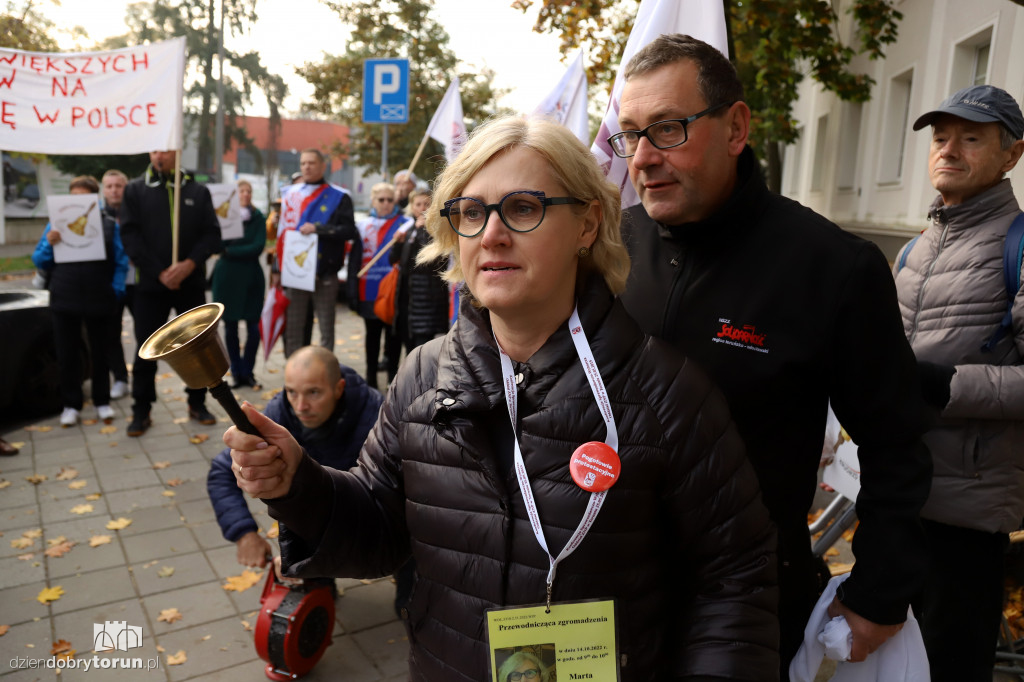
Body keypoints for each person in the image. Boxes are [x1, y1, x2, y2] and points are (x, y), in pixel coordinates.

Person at [225, 115, 778, 680]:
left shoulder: (667, 393)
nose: (490, 234)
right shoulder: (422, 375)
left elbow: (736, 582)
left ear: (587, 224)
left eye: (522, 207)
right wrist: (301, 484)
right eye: (470, 212)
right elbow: (378, 535)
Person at [612, 34, 933, 675]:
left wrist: (879, 594)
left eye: (668, 129)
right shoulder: (609, 248)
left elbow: (897, 444)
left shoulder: (832, 268)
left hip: (746, 605)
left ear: (735, 128)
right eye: (629, 134)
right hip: (606, 597)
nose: (642, 157)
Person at [894, 84, 1024, 681]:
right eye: (941, 137)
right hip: (897, 499)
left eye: (971, 137)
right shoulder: (911, 252)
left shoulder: (1018, 246)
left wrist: (948, 386)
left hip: (967, 518)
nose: (949, 149)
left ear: (1011, 156)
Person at [208, 346, 381, 567]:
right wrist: (244, 532)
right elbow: (222, 471)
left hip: (374, 532)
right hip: (310, 524)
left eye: (313, 392)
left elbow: (392, 501)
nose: (300, 406)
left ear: (339, 389)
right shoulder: (279, 414)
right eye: (291, 392)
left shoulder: (378, 419)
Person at [119, 151, 223, 437]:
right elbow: (129, 236)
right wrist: (159, 272)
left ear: (176, 151)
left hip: (189, 284)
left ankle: (197, 403)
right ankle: (141, 410)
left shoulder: (197, 191)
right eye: (154, 149)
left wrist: (189, 264)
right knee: (145, 349)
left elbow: (212, 235)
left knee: (197, 348)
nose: (158, 155)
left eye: (164, 149)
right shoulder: (135, 190)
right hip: (152, 287)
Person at [32, 175, 128, 427]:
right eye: (73, 197)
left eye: (84, 197)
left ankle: (102, 401)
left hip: (99, 297)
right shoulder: (56, 224)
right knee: (66, 353)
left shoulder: (108, 224)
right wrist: (49, 244)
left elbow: (121, 261)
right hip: (65, 296)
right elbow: (39, 261)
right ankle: (71, 404)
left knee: (101, 352)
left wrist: (115, 290)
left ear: (94, 199)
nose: (78, 202)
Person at [274, 149, 356, 358]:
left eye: (311, 163)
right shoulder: (290, 195)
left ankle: (324, 376)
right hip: (295, 272)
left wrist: (319, 228)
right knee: (294, 328)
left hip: (325, 272)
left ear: (322, 166)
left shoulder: (339, 197)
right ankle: (292, 376)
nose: (306, 167)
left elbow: (349, 231)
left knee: (326, 329)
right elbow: (282, 235)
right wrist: (276, 268)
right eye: (303, 163)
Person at [353, 183, 409, 390]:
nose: (386, 204)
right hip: (369, 289)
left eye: (390, 200)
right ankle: (370, 379)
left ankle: (393, 381)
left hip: (394, 290)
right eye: (381, 200)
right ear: (373, 201)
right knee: (372, 337)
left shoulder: (405, 224)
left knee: (393, 338)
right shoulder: (362, 225)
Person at [211, 179, 266, 390]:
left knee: (254, 328)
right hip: (228, 279)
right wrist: (229, 250)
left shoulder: (258, 216)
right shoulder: (224, 216)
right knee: (230, 328)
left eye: (248, 191)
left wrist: (230, 252)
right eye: (241, 191)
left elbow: (258, 246)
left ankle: (248, 371)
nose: (245, 194)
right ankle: (235, 372)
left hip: (251, 278)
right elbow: (217, 245)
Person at [390, 188, 449, 354]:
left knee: (423, 348)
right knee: (408, 344)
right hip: (408, 297)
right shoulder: (409, 227)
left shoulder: (438, 229)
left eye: (426, 204)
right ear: (412, 206)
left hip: (428, 299)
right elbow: (398, 261)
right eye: (418, 204)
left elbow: (427, 262)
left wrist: (422, 231)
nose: (422, 208)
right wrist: (398, 243)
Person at [101, 169, 131, 401]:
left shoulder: (137, 214)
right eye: (109, 186)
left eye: (118, 186)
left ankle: (142, 380)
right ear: (103, 190)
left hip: (139, 283)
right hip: (112, 284)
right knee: (110, 334)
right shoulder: (98, 218)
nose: (114, 190)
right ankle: (120, 378)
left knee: (146, 332)